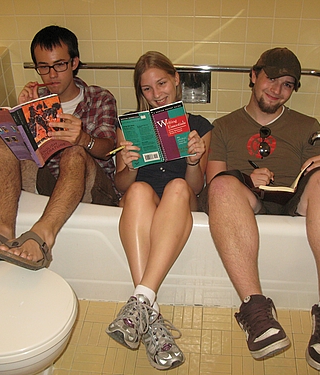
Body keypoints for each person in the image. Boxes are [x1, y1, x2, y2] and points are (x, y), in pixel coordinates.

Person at [198, 48, 320, 374]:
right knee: (223, 186)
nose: (277, 90)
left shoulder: (308, 124)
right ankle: (255, 310)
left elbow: (317, 176)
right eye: (271, 78)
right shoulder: (225, 126)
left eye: (287, 84)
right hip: (246, 199)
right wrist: (246, 179)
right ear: (254, 76)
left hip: (294, 200)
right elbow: (213, 180)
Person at [0, 25, 119, 270]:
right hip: (51, 183)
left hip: (94, 188)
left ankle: (42, 238)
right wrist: (22, 118)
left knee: (74, 152)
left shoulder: (99, 98)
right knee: (6, 142)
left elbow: (109, 150)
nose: (51, 75)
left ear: (74, 62)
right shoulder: (37, 96)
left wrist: (83, 138)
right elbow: (29, 155)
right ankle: (2, 232)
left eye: (59, 65)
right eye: (43, 67)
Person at [105, 51, 213, 370]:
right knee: (138, 189)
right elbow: (123, 185)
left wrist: (194, 160)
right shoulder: (129, 125)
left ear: (176, 79)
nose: (156, 94)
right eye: (147, 89)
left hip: (181, 201)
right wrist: (128, 165)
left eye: (162, 83)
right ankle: (149, 317)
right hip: (143, 197)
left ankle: (140, 304)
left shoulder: (199, 126)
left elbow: (194, 187)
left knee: (178, 186)